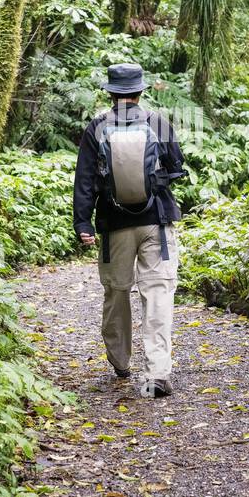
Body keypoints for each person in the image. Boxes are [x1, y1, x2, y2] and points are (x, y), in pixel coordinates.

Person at [72, 63, 186, 398]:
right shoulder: (158, 123)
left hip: (113, 225)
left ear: (110, 92)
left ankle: (121, 362)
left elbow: (85, 179)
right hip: (157, 223)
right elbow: (176, 165)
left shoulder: (96, 127)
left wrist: (83, 221)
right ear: (140, 91)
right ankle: (157, 373)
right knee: (158, 294)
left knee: (117, 291)